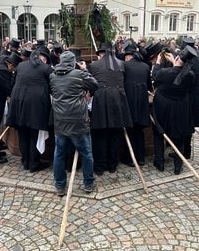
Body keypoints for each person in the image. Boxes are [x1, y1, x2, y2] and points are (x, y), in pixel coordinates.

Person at [50, 51, 98, 196]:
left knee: (59, 154)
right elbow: (94, 85)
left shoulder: (52, 76)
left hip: (60, 121)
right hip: (78, 121)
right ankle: (88, 183)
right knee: (87, 153)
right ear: (73, 63)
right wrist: (84, 69)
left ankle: (59, 185)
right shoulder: (78, 74)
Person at [89, 42, 133, 175]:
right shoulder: (122, 64)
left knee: (100, 135)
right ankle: (112, 165)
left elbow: (91, 86)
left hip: (101, 101)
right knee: (115, 134)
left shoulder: (94, 65)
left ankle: (99, 166)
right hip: (118, 101)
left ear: (101, 54)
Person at [6, 47, 53, 172]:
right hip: (35, 106)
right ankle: (33, 163)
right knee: (34, 134)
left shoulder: (21, 66)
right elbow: (52, 87)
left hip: (19, 104)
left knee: (23, 133)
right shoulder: (46, 68)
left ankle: (25, 161)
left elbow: (13, 83)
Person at [152, 46, 197, 174]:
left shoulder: (164, 73)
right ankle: (178, 165)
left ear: (177, 58)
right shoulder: (190, 75)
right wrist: (175, 63)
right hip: (180, 108)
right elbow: (180, 72)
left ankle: (159, 162)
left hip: (163, 107)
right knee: (179, 136)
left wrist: (160, 62)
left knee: (159, 134)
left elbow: (155, 75)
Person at [123, 42, 151, 166]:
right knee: (139, 132)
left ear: (129, 56)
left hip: (129, 103)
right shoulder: (145, 67)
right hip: (142, 104)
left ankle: (130, 158)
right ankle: (141, 158)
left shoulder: (125, 66)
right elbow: (149, 86)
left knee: (130, 132)